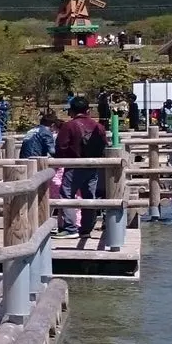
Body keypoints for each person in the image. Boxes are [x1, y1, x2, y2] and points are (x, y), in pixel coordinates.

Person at [55, 96, 109, 241]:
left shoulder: (69, 126)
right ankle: (86, 229)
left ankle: (70, 228)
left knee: (67, 195)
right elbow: (104, 144)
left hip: (74, 165)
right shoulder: (98, 126)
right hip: (93, 166)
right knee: (89, 197)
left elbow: (61, 147)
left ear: (72, 111)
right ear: (88, 110)